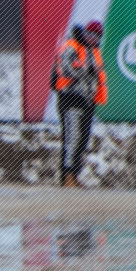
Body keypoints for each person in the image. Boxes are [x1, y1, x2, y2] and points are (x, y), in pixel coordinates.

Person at [52, 19, 108, 187]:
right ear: (84, 33)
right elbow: (65, 69)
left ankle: (74, 176)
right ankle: (67, 177)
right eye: (89, 34)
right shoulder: (71, 46)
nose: (92, 39)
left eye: (96, 36)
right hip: (71, 98)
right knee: (72, 138)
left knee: (82, 140)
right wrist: (86, 71)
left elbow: (97, 76)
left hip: (87, 101)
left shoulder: (94, 51)